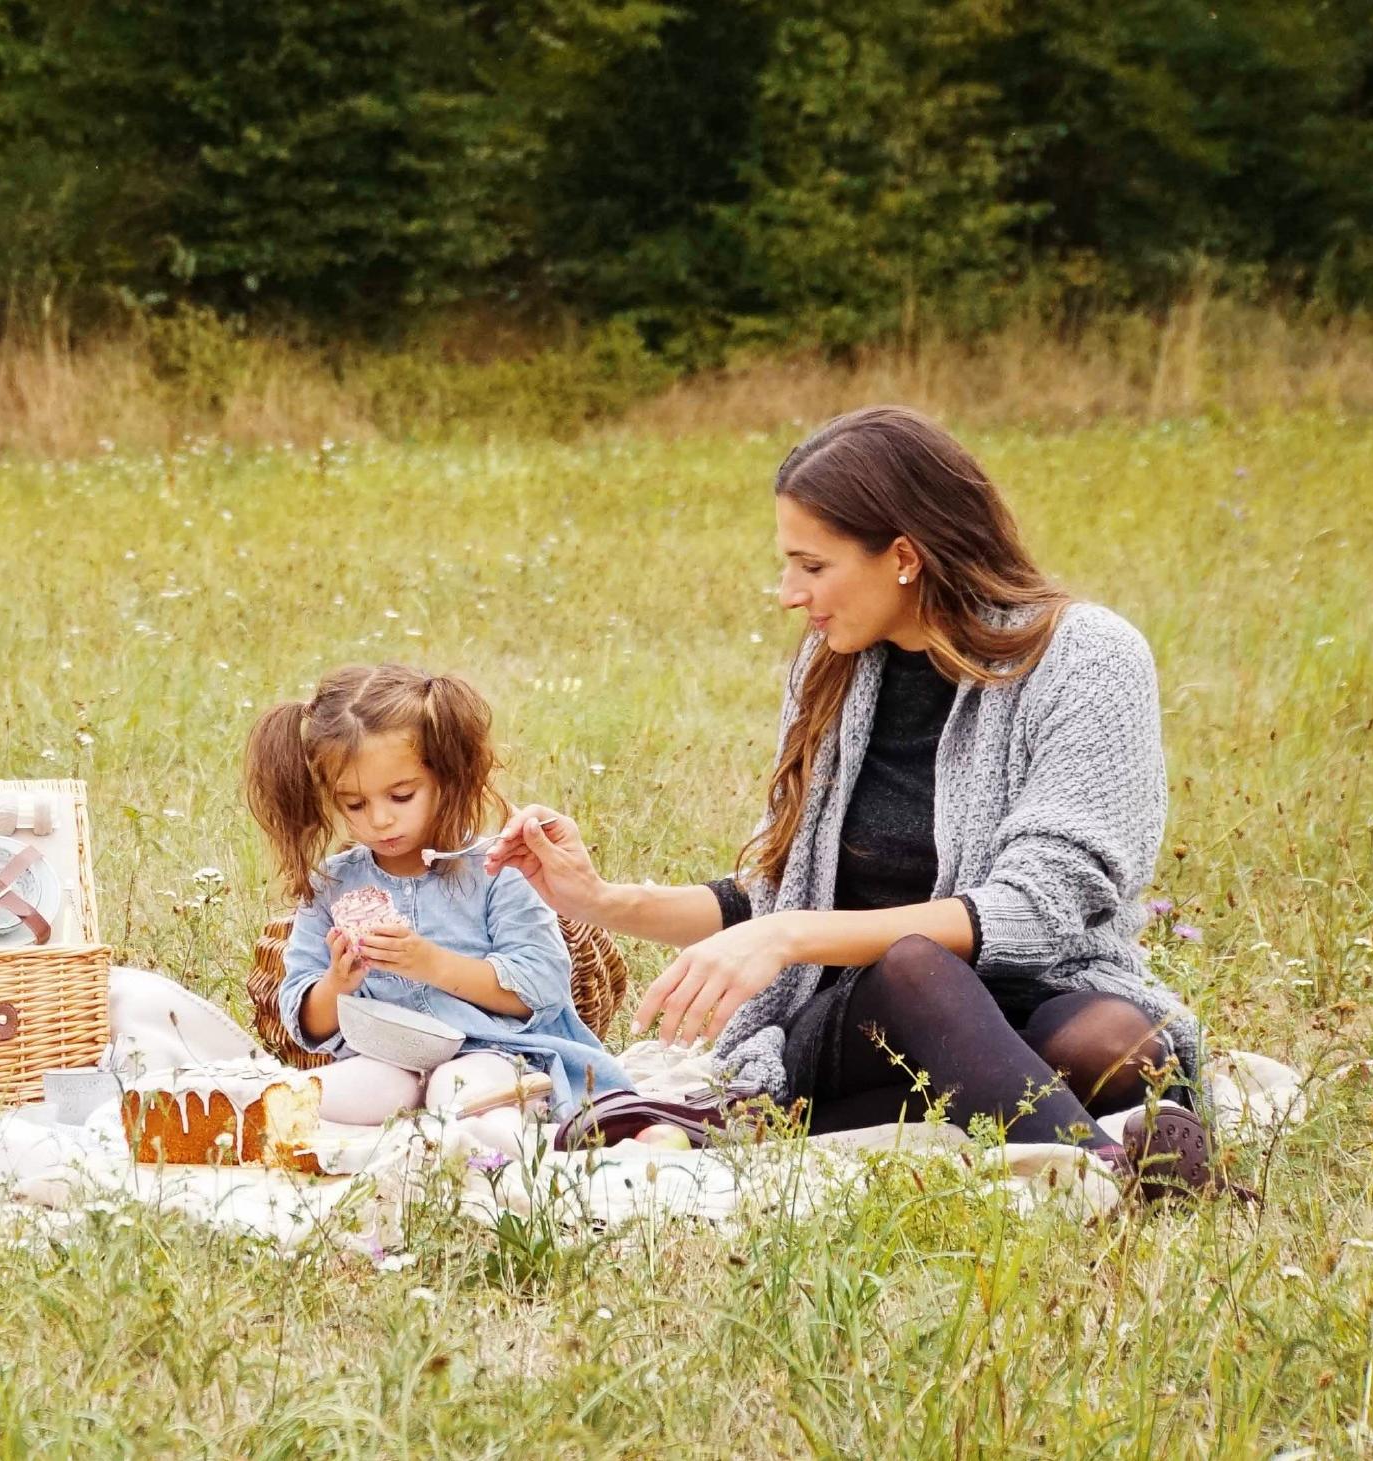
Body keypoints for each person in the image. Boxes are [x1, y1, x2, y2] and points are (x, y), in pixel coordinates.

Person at [488, 405, 1239, 1197]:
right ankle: (1115, 1176)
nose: (789, 593)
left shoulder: (1088, 657)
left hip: (1047, 988)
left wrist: (787, 933)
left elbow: (1044, 905)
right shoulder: (832, 667)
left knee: (1116, 1045)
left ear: (904, 557)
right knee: (914, 968)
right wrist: (602, 900)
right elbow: (778, 895)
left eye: (812, 566)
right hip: (860, 1021)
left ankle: (925, 1122)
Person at [246, 663, 629, 1127]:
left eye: (401, 796)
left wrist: (429, 963)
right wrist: (336, 984)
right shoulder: (330, 885)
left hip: (495, 1051)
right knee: (309, 1101)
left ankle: (486, 1144)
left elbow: (540, 987)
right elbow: (304, 1021)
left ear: (445, 777)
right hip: (386, 1059)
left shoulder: (497, 869)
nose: (379, 820)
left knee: (463, 1095)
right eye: (355, 804)